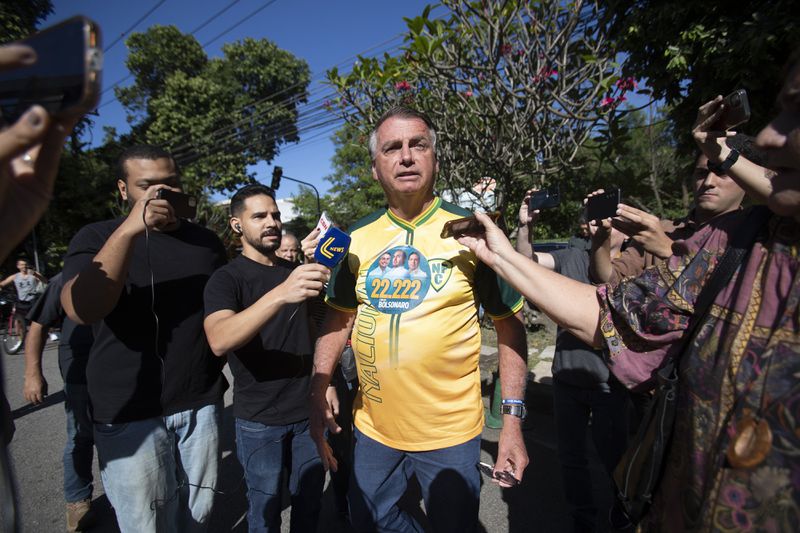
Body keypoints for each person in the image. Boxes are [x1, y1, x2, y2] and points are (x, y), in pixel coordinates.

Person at [455, 57, 800, 531]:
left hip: (612, 389)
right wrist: (503, 251)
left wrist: (663, 242)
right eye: (704, 171)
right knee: (582, 465)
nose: (768, 137)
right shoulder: (728, 244)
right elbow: (611, 308)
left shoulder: (691, 238)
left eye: (797, 113)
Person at [310, 106, 529, 533]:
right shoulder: (354, 238)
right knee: (370, 522)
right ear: (376, 168)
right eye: (392, 148)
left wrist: (512, 424)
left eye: (418, 145)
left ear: (435, 159)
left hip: (450, 433)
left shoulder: (474, 233)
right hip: (373, 429)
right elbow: (336, 323)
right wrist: (318, 387)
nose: (406, 156)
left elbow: (509, 328)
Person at [60, 145, 229, 533]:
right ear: (123, 190)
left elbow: (224, 312)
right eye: (147, 185)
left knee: (198, 514)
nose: (161, 194)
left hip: (200, 402)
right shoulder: (97, 236)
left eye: (169, 183)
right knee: (145, 522)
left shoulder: (205, 241)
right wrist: (132, 229)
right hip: (129, 411)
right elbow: (81, 309)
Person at [203, 184, 328, 533]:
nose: (271, 222)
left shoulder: (293, 272)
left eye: (275, 214)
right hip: (259, 421)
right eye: (259, 216)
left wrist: (326, 384)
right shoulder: (226, 279)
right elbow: (218, 339)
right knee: (264, 511)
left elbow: (316, 333)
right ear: (237, 225)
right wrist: (280, 295)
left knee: (309, 504)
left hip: (308, 414)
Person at [516, 193, 630, 532]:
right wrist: (525, 227)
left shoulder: (636, 265)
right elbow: (527, 261)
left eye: (608, 219)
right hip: (566, 378)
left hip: (611, 382)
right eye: (593, 217)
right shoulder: (570, 256)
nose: (599, 224)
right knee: (571, 460)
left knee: (617, 460)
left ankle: (623, 514)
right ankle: (583, 519)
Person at [589, 134, 767, 286]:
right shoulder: (662, 229)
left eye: (721, 172)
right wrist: (601, 240)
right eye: (701, 173)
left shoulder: (759, 240)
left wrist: (668, 250)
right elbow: (609, 279)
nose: (708, 182)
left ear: (744, 180)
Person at [22, 273, 95, 532]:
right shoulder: (65, 278)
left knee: (124, 433)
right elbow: (38, 326)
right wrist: (32, 373)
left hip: (123, 372)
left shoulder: (134, 266)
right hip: (79, 372)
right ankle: (77, 500)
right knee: (80, 434)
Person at [0, 258, 47, 333]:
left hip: (33, 299)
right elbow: (3, 283)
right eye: (22, 265)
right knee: (18, 318)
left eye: (25, 265)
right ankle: (20, 337)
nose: (24, 266)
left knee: (40, 318)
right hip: (22, 301)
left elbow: (45, 281)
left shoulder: (33, 274)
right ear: (18, 266)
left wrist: (36, 275)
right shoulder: (15, 276)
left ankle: (49, 332)